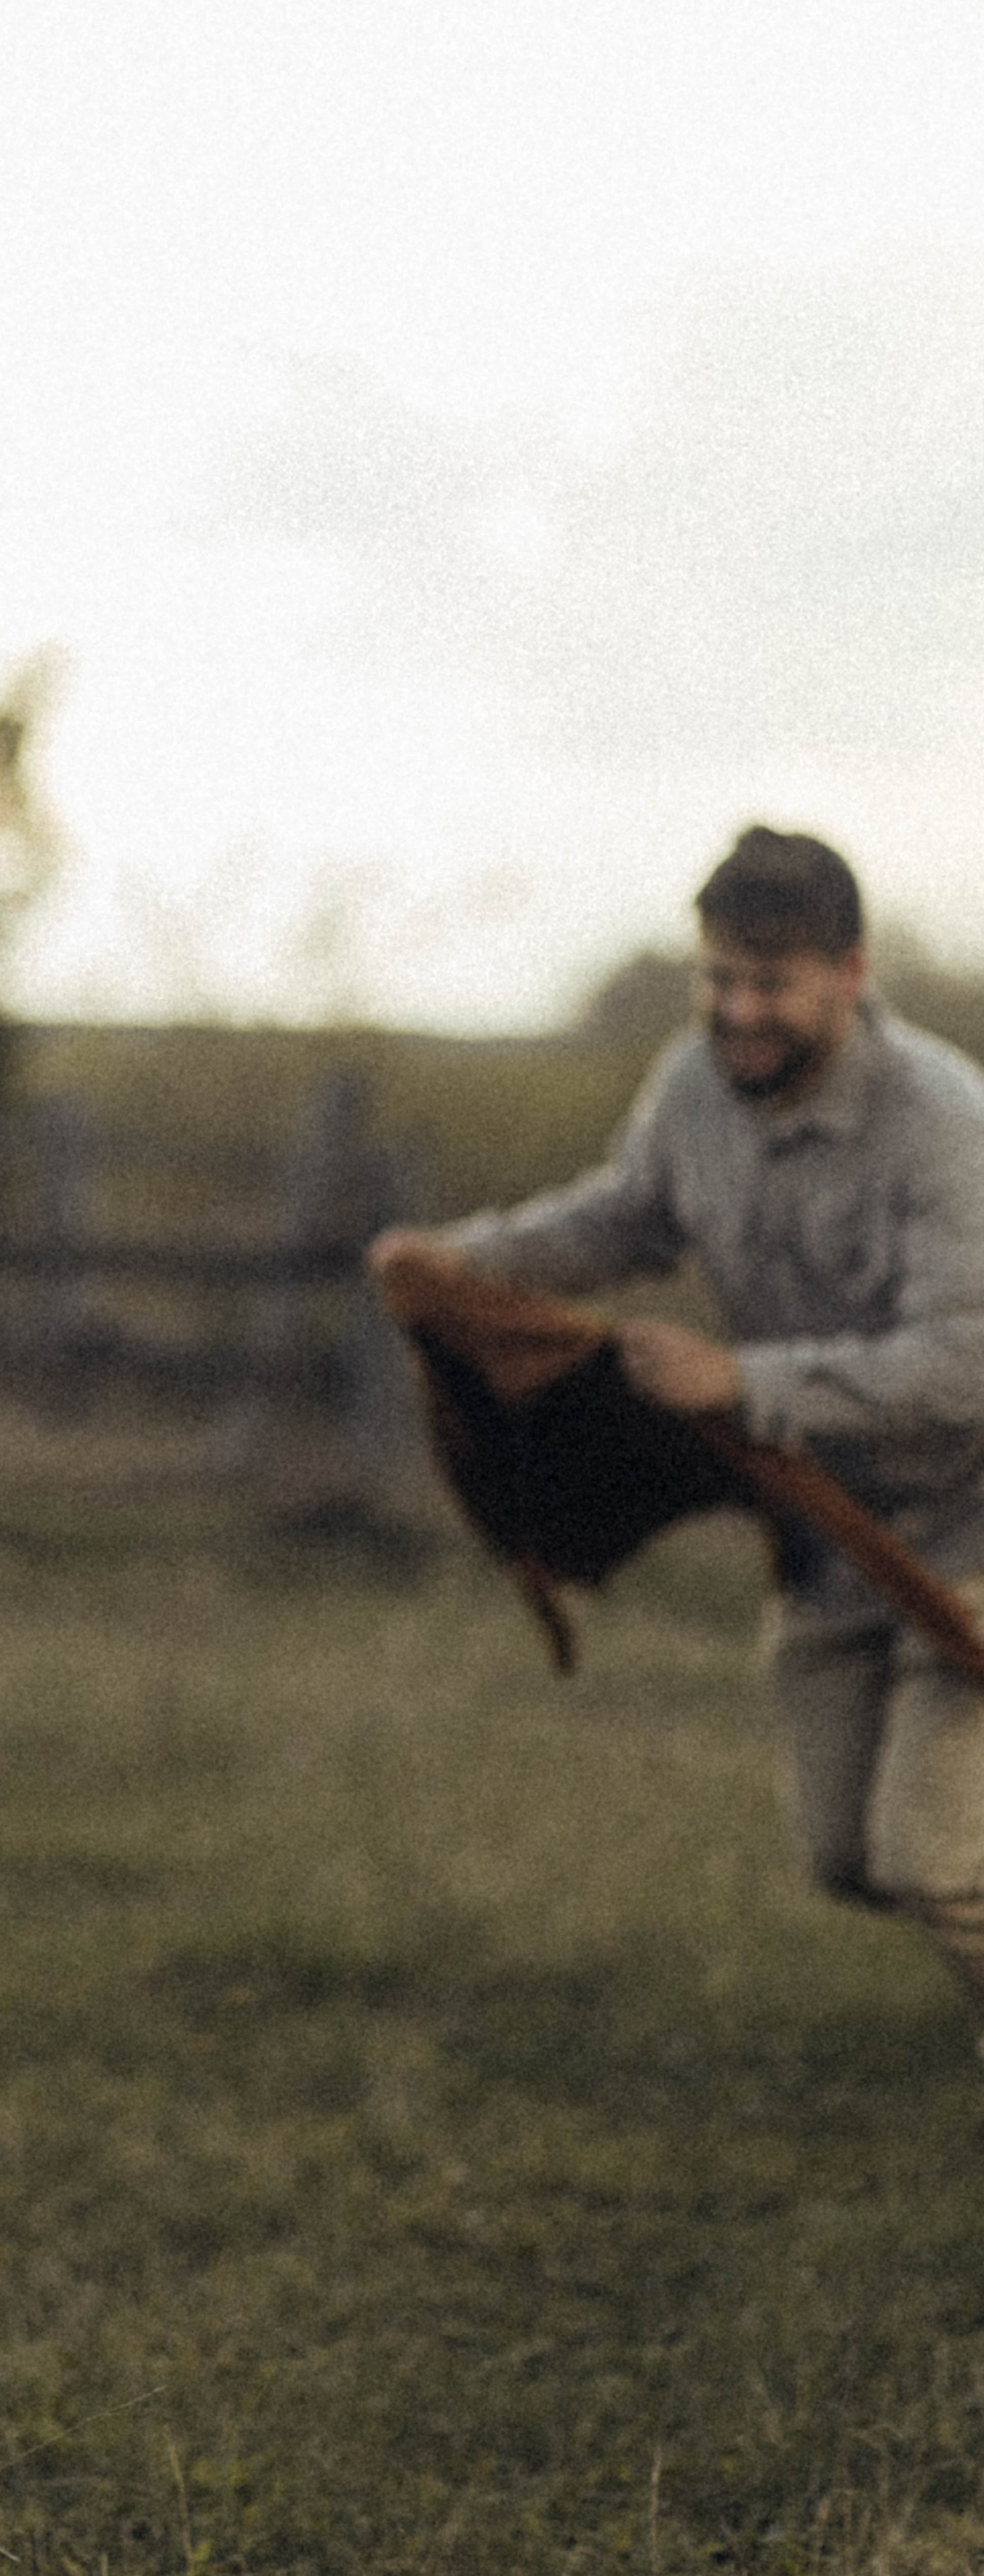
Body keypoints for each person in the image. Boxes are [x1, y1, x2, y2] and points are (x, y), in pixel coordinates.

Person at [371, 824, 984, 2025]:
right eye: (720, 977)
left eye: (774, 983)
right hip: (828, 1534)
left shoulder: (946, 1128)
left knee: (937, 1862)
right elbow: (624, 1216)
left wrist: (742, 1383)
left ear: (851, 977)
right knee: (846, 1857)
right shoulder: (693, 1087)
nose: (739, 1009)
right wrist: (459, 1261)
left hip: (975, 1524)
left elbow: (970, 1361)